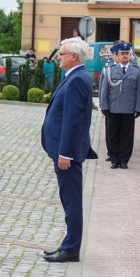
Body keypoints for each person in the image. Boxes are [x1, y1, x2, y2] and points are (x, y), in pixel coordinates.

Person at [40, 37, 97, 263]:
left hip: (68, 153)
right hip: (63, 150)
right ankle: (68, 244)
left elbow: (73, 121)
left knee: (72, 200)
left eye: (61, 54)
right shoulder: (74, 76)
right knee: (68, 198)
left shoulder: (77, 79)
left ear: (74, 57)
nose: (58, 58)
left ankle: (71, 248)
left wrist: (65, 153)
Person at [99, 41, 140, 169]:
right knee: (112, 135)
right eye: (122, 54)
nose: (125, 56)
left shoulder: (136, 71)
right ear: (117, 56)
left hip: (129, 109)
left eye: (127, 54)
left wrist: (138, 108)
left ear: (130, 55)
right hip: (113, 108)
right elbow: (104, 90)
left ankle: (124, 160)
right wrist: (104, 106)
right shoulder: (110, 70)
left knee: (127, 136)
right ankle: (114, 159)